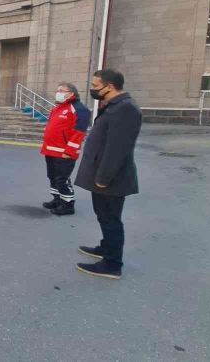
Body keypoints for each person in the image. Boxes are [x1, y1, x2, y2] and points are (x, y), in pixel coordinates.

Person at [74, 69, 142, 280]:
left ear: (109, 86)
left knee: (111, 219)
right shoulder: (114, 106)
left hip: (110, 179)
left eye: (95, 86)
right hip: (103, 176)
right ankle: (106, 248)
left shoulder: (125, 109)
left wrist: (103, 178)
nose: (93, 90)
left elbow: (117, 148)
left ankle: (112, 264)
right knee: (104, 216)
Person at [40, 82, 91, 216]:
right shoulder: (57, 108)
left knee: (62, 179)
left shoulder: (79, 109)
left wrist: (70, 151)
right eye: (58, 90)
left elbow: (79, 133)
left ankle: (68, 205)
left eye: (62, 90)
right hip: (51, 150)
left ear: (71, 93)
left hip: (64, 153)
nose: (58, 92)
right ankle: (57, 199)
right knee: (52, 177)